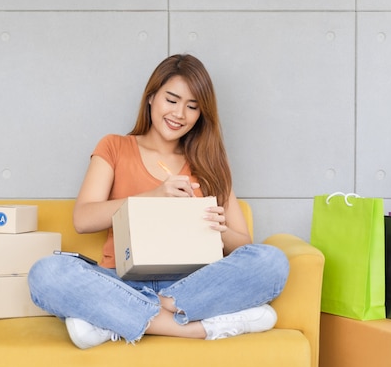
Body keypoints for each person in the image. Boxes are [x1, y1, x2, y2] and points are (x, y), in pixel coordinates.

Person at [28, 54, 289, 349]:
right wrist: (153, 196)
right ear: (151, 97)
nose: (179, 113)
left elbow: (245, 246)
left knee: (272, 261)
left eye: (192, 107)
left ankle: (115, 319)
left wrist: (219, 229)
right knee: (46, 273)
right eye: (172, 100)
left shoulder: (211, 163)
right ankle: (194, 328)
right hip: (119, 281)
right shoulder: (115, 146)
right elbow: (83, 219)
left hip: (191, 287)